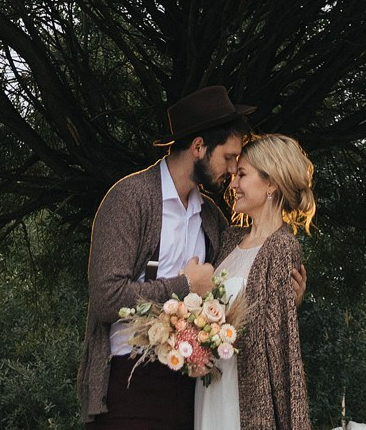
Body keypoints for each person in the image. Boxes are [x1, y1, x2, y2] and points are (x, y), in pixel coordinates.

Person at [82, 86, 251, 430]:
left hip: (191, 386)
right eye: (229, 157)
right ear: (199, 147)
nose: (234, 169)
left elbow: (245, 263)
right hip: (129, 382)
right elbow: (105, 298)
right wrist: (186, 285)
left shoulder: (210, 217)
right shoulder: (130, 199)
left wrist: (287, 295)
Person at [196, 133, 314, 430]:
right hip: (210, 387)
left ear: (271, 182)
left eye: (242, 175)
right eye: (234, 175)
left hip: (244, 398)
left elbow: (280, 345)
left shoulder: (282, 247)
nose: (233, 184)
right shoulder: (229, 240)